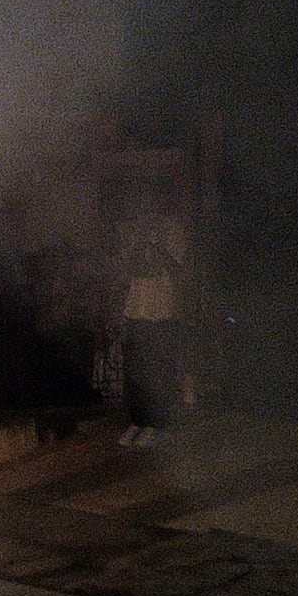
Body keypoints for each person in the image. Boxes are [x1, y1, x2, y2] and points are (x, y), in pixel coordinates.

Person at [117, 187, 187, 449]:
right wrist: (140, 242)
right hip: (137, 310)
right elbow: (133, 267)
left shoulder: (174, 229)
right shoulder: (136, 230)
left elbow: (173, 266)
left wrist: (155, 243)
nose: (146, 208)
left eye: (151, 201)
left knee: (158, 370)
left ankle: (159, 425)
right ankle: (138, 421)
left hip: (163, 311)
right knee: (135, 370)